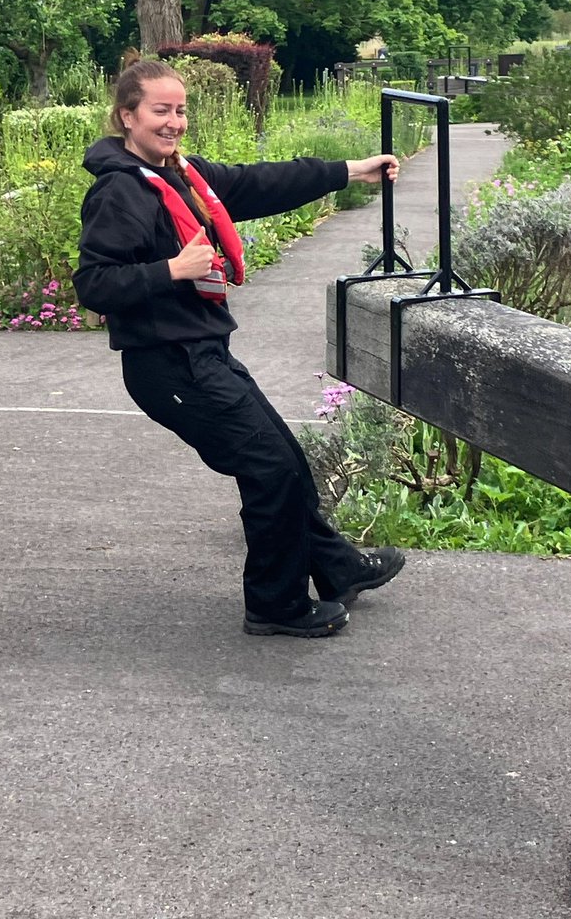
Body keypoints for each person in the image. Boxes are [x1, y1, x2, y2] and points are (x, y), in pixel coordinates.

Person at [73, 59, 405, 638]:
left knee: (287, 463)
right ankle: (275, 606)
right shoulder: (119, 191)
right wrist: (172, 269)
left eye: (180, 110)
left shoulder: (181, 175)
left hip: (203, 353)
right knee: (269, 470)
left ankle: (337, 566)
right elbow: (94, 285)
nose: (174, 122)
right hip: (168, 365)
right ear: (127, 116)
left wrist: (350, 170)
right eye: (160, 110)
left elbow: (258, 183)